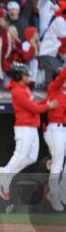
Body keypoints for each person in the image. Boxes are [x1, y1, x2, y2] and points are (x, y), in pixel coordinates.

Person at [0, 64, 58, 201]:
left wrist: (45, 101)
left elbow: (35, 104)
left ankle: (7, 173)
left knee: (31, 157)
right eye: (25, 74)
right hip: (24, 127)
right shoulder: (17, 91)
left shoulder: (24, 88)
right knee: (20, 155)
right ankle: (5, 174)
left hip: (32, 127)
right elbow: (34, 109)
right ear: (19, 76)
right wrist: (49, 105)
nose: (28, 76)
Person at [43, 67, 66, 211]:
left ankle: (62, 192)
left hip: (64, 129)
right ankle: (53, 194)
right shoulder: (53, 88)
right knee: (57, 163)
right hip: (54, 129)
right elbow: (61, 76)